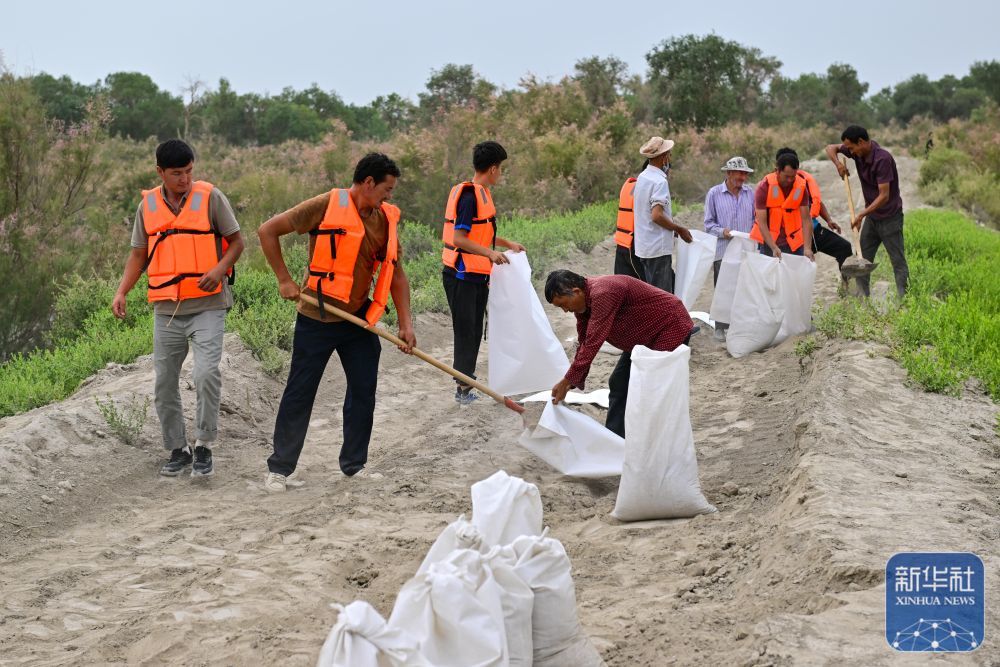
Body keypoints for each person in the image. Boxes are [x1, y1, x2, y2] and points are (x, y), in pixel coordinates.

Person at [258, 153, 416, 492]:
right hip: (316, 317)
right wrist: (284, 279)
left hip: (358, 320)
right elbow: (268, 231)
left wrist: (406, 323)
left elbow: (397, 275)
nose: (390, 196)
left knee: (363, 391)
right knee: (300, 392)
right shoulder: (326, 205)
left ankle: (354, 465)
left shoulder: (384, 220)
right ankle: (280, 469)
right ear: (368, 182)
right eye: (387, 189)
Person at [112, 139, 245, 478]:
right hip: (166, 309)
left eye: (189, 171)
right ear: (160, 172)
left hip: (208, 306)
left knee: (205, 374)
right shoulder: (147, 207)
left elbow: (237, 242)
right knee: (164, 383)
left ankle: (204, 445)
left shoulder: (211, 197)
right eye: (177, 173)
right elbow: (138, 255)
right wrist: (122, 291)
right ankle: (177, 448)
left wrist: (220, 269)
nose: (185, 179)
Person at [545, 270, 695, 439]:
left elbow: (593, 342)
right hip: (643, 338)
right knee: (619, 383)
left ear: (576, 291)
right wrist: (570, 382)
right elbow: (584, 341)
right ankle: (614, 439)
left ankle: (657, 438)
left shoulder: (603, 293)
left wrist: (567, 380)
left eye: (563, 304)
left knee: (653, 386)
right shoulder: (583, 305)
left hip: (668, 327)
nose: (565, 310)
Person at [441, 141, 525, 405]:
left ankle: (466, 385)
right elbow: (459, 239)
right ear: (492, 169)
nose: (501, 173)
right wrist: (490, 254)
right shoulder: (469, 197)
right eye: (501, 168)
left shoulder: (482, 194)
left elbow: (480, 236)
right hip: (460, 275)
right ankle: (462, 389)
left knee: (475, 329)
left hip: (476, 275)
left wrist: (507, 243)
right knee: (466, 331)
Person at [826, 126, 908, 298]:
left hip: (890, 218)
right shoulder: (857, 153)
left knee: (898, 261)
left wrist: (862, 214)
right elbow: (830, 148)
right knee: (862, 260)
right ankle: (863, 299)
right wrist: (838, 164)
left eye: (851, 148)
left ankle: (905, 301)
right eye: (848, 149)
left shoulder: (882, 159)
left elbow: (884, 196)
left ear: (861, 142)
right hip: (873, 219)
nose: (850, 152)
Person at [774, 148, 853, 271]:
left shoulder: (804, 182)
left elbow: (816, 201)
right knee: (792, 269)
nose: (790, 179)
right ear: (778, 168)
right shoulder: (770, 187)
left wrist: (829, 220)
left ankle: (846, 281)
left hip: (812, 230)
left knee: (844, 247)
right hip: (789, 239)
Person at [703, 156, 755, 340]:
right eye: (740, 173)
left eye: (745, 174)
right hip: (723, 250)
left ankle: (742, 325)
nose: (743, 177)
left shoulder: (750, 193)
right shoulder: (714, 193)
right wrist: (722, 232)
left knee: (745, 288)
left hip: (746, 250)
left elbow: (756, 219)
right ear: (729, 173)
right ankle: (720, 326)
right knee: (723, 288)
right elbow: (708, 224)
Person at [632, 136, 693, 293]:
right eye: (669, 155)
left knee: (653, 294)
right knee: (662, 297)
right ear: (664, 157)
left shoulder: (642, 178)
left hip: (644, 247)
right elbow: (656, 215)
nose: (669, 158)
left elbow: (645, 212)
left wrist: (672, 230)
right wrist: (678, 229)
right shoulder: (659, 182)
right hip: (657, 249)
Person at [750, 151, 814, 262]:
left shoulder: (801, 187)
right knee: (771, 273)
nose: (790, 180)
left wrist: (807, 248)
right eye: (786, 176)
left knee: (796, 272)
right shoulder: (764, 187)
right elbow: (762, 222)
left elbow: (806, 220)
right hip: (770, 243)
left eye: (793, 176)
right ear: (777, 171)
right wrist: (773, 247)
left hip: (794, 243)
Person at [611, 166, 646, 281]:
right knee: (647, 284)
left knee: (622, 283)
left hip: (622, 241)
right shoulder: (645, 188)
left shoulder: (629, 185)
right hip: (634, 244)